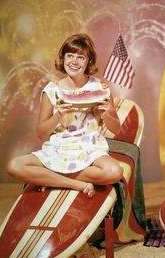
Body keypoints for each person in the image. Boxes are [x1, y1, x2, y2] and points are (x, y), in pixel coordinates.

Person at [7, 33, 123, 198]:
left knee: (114, 171)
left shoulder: (100, 87)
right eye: (70, 56)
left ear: (88, 61)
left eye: (80, 57)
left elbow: (116, 129)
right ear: (63, 58)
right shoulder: (51, 90)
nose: (74, 61)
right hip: (59, 149)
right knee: (14, 165)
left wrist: (107, 114)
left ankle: (49, 178)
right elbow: (41, 133)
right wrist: (58, 115)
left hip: (91, 149)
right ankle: (76, 184)